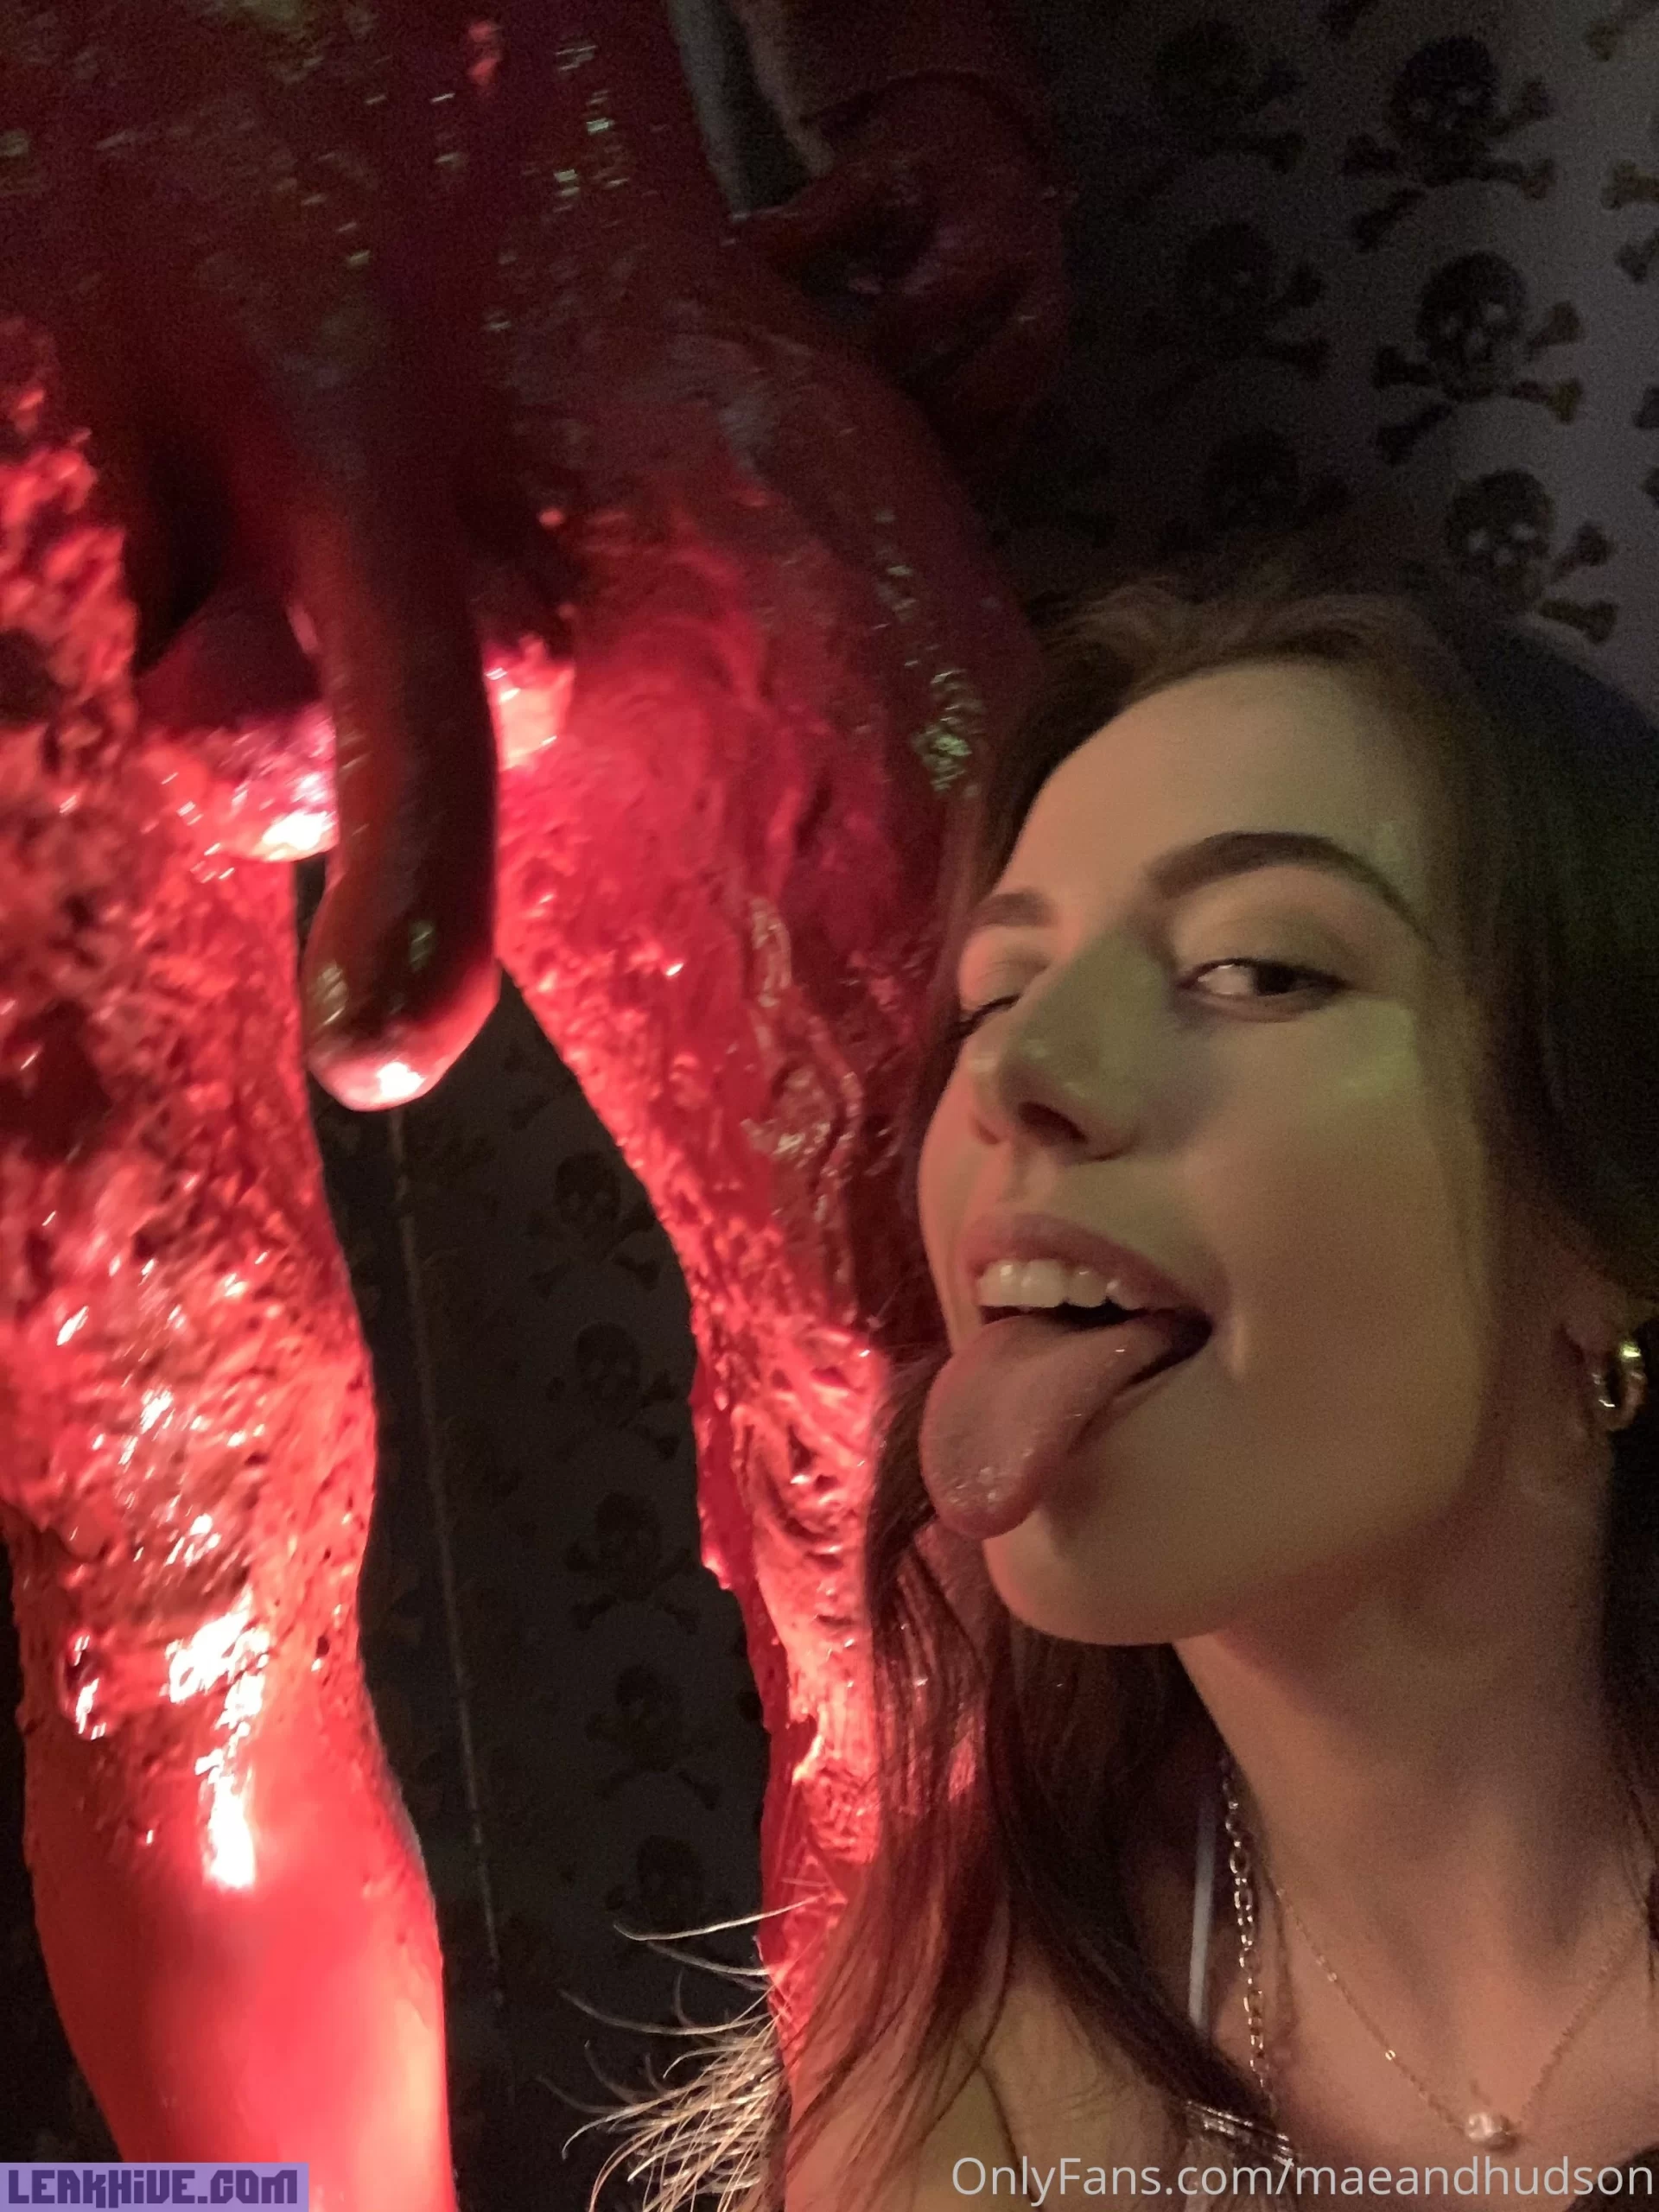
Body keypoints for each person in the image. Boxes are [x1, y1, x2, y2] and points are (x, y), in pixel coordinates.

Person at [626, 564, 1657, 2210]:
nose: (1018, 1074)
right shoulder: (968, 2018)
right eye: (996, 995)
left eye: (1257, 968)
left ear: (1604, 1233)